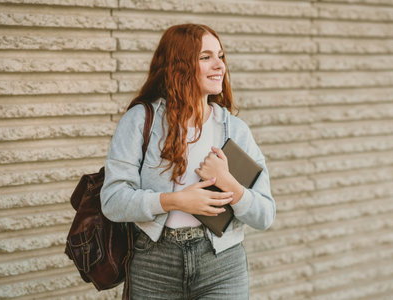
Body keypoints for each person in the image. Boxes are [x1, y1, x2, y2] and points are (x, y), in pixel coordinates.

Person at [100, 24, 275, 300]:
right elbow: (112, 200)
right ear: (179, 66)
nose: (220, 65)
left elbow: (265, 214)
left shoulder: (235, 130)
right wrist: (175, 201)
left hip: (222, 266)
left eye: (221, 56)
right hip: (154, 264)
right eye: (206, 57)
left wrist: (230, 184)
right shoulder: (140, 121)